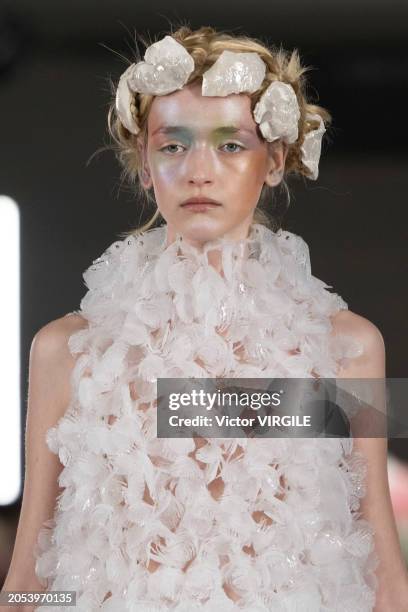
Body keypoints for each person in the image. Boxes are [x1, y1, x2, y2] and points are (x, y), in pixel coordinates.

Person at [3, 24, 408, 612]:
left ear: (274, 161)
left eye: (231, 144)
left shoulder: (346, 350)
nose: (199, 170)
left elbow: (384, 577)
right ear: (144, 163)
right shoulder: (68, 353)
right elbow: (32, 585)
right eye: (173, 145)